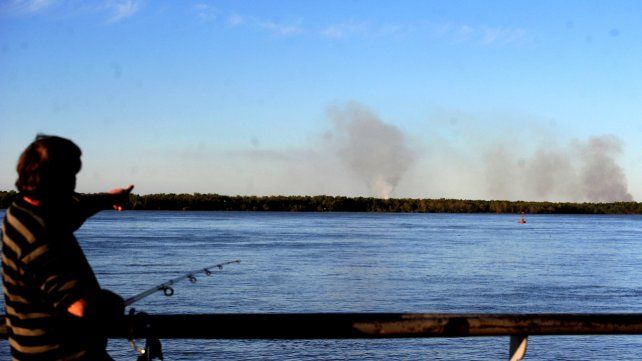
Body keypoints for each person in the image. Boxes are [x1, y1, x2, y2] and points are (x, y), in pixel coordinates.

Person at [2, 135, 133, 360]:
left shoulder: (22, 211)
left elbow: (75, 209)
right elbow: (80, 306)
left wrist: (109, 199)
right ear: (53, 178)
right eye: (70, 174)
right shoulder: (37, 232)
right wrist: (113, 303)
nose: (73, 182)